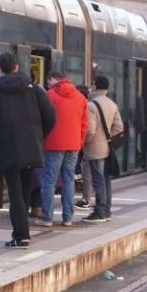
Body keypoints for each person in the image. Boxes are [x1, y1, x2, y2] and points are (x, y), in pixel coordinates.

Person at [0, 53, 56, 248]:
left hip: (7, 148)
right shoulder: (35, 89)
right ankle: (23, 234)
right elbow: (50, 116)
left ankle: (21, 235)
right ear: (16, 66)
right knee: (23, 188)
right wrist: (38, 137)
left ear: (1, 69)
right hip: (31, 146)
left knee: (15, 193)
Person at [36, 72, 87, 228]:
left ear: (53, 81)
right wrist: (79, 143)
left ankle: (47, 218)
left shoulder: (49, 95)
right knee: (69, 180)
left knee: (48, 181)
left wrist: (42, 140)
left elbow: (42, 120)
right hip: (73, 144)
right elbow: (85, 125)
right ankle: (67, 218)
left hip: (53, 144)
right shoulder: (80, 97)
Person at [82, 76, 123, 223]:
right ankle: (107, 211)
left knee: (98, 179)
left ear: (94, 86)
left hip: (94, 148)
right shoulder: (112, 104)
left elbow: (90, 130)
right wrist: (107, 139)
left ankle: (99, 212)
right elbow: (119, 127)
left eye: (92, 84)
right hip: (107, 147)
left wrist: (84, 142)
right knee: (106, 179)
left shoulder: (91, 105)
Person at [74, 84, 93, 209]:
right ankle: (80, 184)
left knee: (79, 166)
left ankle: (82, 188)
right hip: (82, 140)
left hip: (81, 140)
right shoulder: (89, 104)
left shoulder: (84, 105)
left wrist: (84, 139)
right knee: (79, 165)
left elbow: (88, 127)